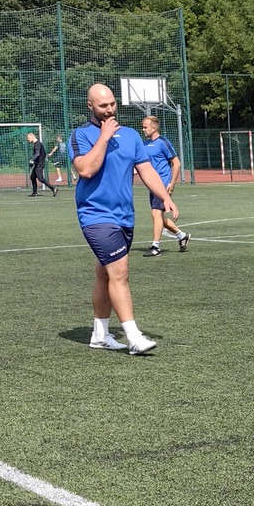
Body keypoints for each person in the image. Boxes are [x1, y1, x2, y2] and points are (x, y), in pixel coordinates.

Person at [67, 83, 176, 353]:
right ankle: (134, 336)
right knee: (120, 273)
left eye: (112, 104)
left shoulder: (130, 135)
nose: (109, 109)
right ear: (90, 106)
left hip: (124, 216)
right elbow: (86, 170)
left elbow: (146, 169)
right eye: (103, 105)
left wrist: (165, 196)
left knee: (104, 274)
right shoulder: (80, 135)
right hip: (96, 214)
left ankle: (100, 335)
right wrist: (104, 137)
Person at [139, 114, 190, 255]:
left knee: (156, 212)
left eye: (145, 127)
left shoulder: (163, 142)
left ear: (154, 128)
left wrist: (171, 184)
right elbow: (143, 166)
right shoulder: (144, 144)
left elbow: (176, 163)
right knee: (159, 216)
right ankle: (182, 235)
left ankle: (156, 246)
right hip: (152, 184)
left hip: (163, 183)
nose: (143, 129)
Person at [27, 131, 58, 196]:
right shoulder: (36, 144)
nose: (27, 139)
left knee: (40, 178)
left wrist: (32, 160)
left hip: (39, 164)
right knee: (32, 177)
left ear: (32, 137)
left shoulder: (37, 144)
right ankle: (34, 192)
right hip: (37, 164)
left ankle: (53, 188)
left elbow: (37, 153)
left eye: (28, 138)